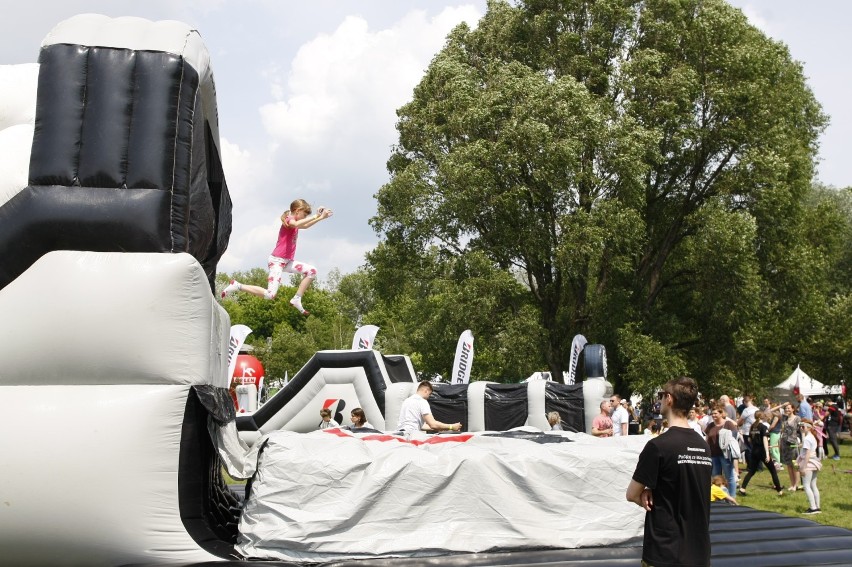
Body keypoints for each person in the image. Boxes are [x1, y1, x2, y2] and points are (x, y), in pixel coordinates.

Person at [626, 377, 712, 567]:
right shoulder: (703, 446)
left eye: (661, 395)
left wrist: (645, 492)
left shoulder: (658, 446)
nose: (659, 400)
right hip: (699, 551)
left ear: (669, 399)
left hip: (664, 551)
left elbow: (631, 494)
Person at [221, 199, 333, 315]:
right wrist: (316, 215)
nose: (304, 218)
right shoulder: (289, 219)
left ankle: (297, 298)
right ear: (297, 211)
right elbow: (297, 224)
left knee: (312, 271)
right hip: (277, 262)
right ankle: (238, 286)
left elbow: (305, 226)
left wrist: (320, 217)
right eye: (304, 215)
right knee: (270, 295)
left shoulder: (295, 222)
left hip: (287, 261)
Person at [738, 411, 784, 496]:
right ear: (763, 417)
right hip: (762, 451)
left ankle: (742, 488)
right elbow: (765, 440)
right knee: (773, 471)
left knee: (752, 471)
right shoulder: (763, 427)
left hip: (754, 451)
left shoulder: (752, 427)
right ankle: (779, 491)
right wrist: (767, 453)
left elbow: (749, 440)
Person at [397, 381, 461, 435]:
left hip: (400, 433)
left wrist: (441, 428)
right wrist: (452, 426)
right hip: (411, 434)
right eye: (429, 394)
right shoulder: (422, 401)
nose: (429, 397)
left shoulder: (407, 401)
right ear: (426, 391)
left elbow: (419, 425)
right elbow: (433, 424)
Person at [705, 403, 739, 499]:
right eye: (712, 414)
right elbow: (707, 439)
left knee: (729, 476)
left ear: (721, 414)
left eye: (715, 413)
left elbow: (734, 436)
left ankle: (732, 496)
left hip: (725, 455)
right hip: (713, 454)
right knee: (715, 477)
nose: (714, 415)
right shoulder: (710, 425)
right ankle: (718, 496)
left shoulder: (728, 424)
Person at [797, 419, 822, 514]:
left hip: (809, 463)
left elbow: (807, 454)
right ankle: (817, 507)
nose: (801, 428)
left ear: (808, 427)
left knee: (806, 485)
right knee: (813, 485)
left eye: (802, 426)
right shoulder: (811, 437)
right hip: (815, 462)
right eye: (800, 426)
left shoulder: (808, 438)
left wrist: (803, 467)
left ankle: (813, 508)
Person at [780, 403, 802, 491]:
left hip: (793, 443)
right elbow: (770, 412)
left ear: (793, 409)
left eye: (789, 408)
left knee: (795, 463)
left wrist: (802, 442)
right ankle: (792, 484)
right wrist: (781, 405)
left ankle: (797, 484)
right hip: (784, 443)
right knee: (789, 464)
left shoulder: (797, 418)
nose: (787, 410)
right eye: (786, 408)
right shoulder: (784, 418)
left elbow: (801, 431)